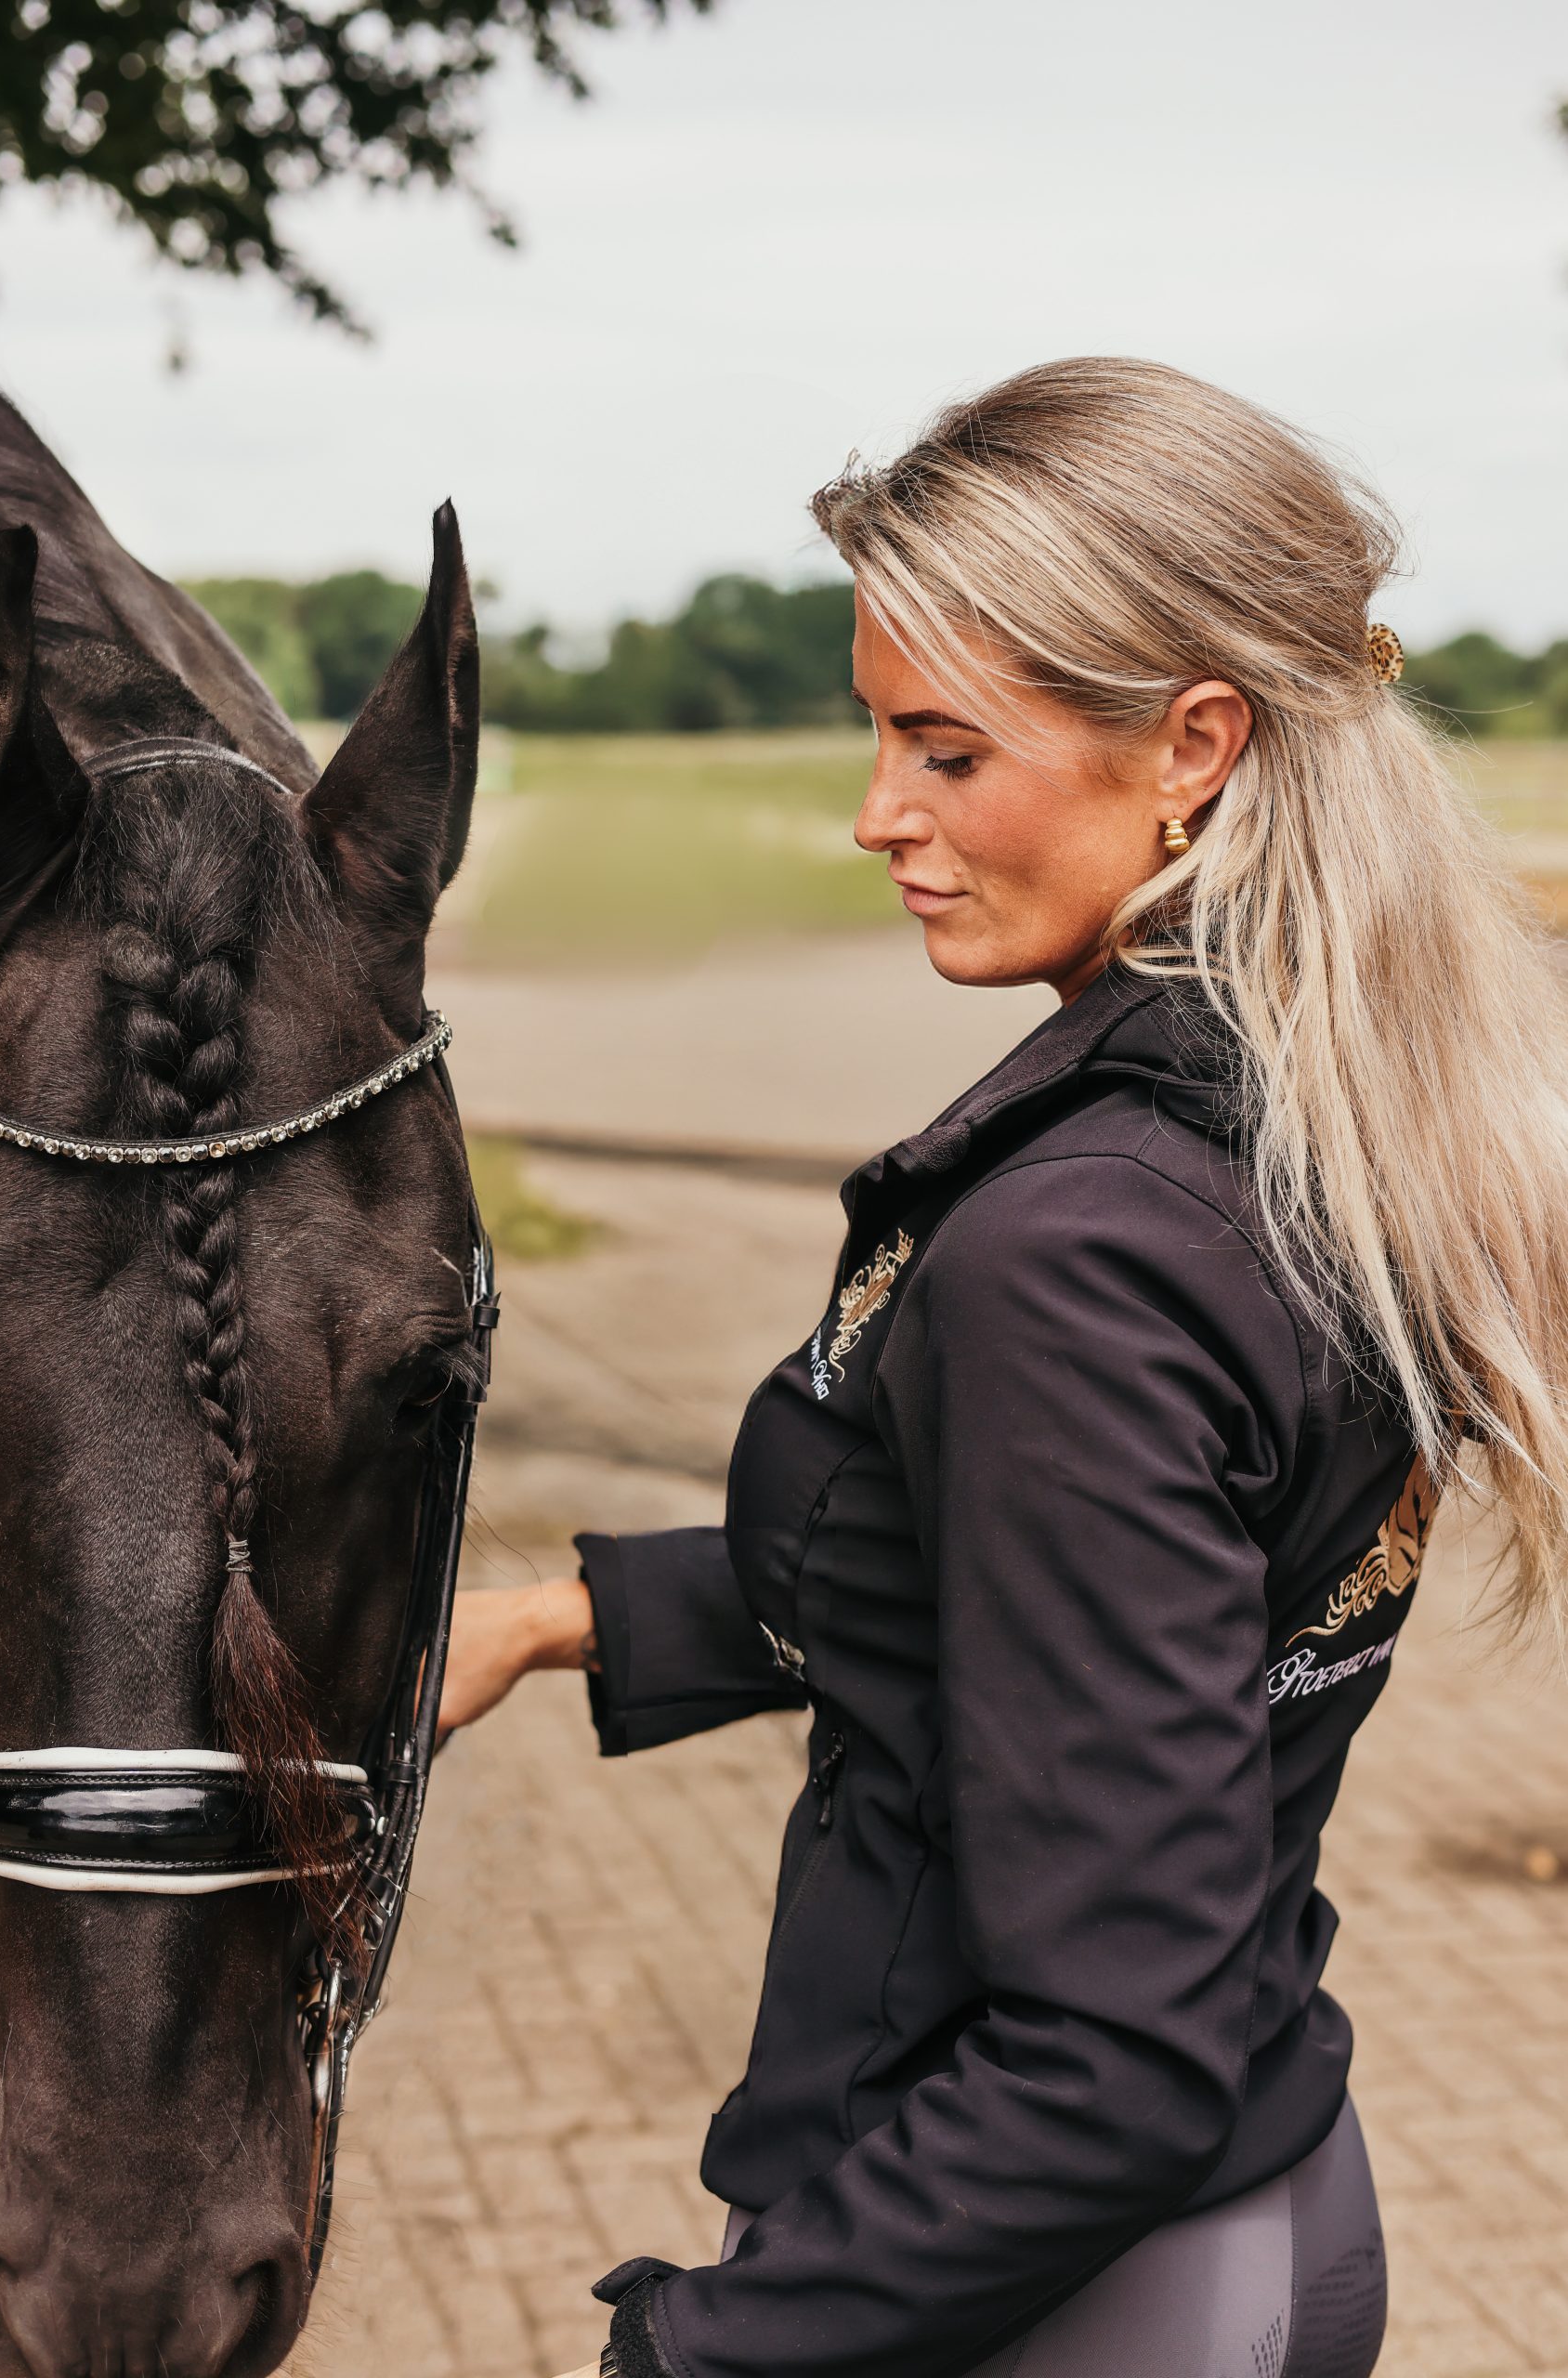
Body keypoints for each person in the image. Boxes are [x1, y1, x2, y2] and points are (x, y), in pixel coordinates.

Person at [440, 359, 1568, 2378]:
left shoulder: (1080, 1251)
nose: (877, 814)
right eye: (878, 737)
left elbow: (1105, 2055)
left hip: (1047, 2283)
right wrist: (555, 1616)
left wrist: (701, 2348)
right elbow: (1058, 1602)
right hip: (1267, 2195)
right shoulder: (1314, 1109)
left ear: (1193, 746)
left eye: (943, 751)